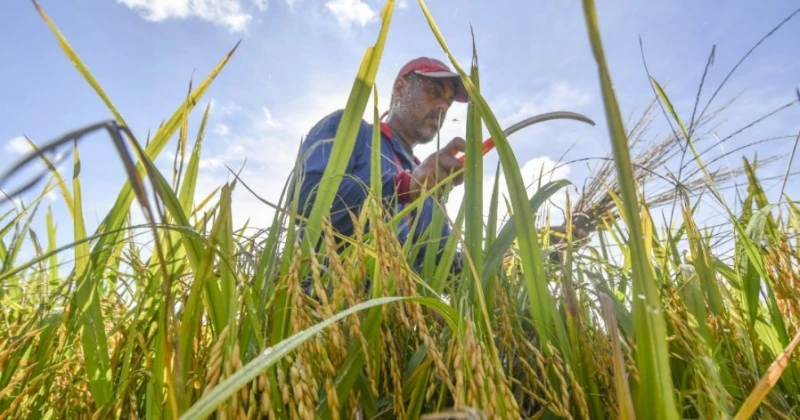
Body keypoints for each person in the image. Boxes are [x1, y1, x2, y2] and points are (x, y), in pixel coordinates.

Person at [295, 57, 470, 272]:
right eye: (434, 92)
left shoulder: (430, 176)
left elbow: (439, 259)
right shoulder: (352, 129)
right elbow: (306, 198)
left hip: (403, 294)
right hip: (329, 288)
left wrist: (487, 264)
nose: (443, 106)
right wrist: (401, 187)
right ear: (400, 89)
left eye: (448, 102)